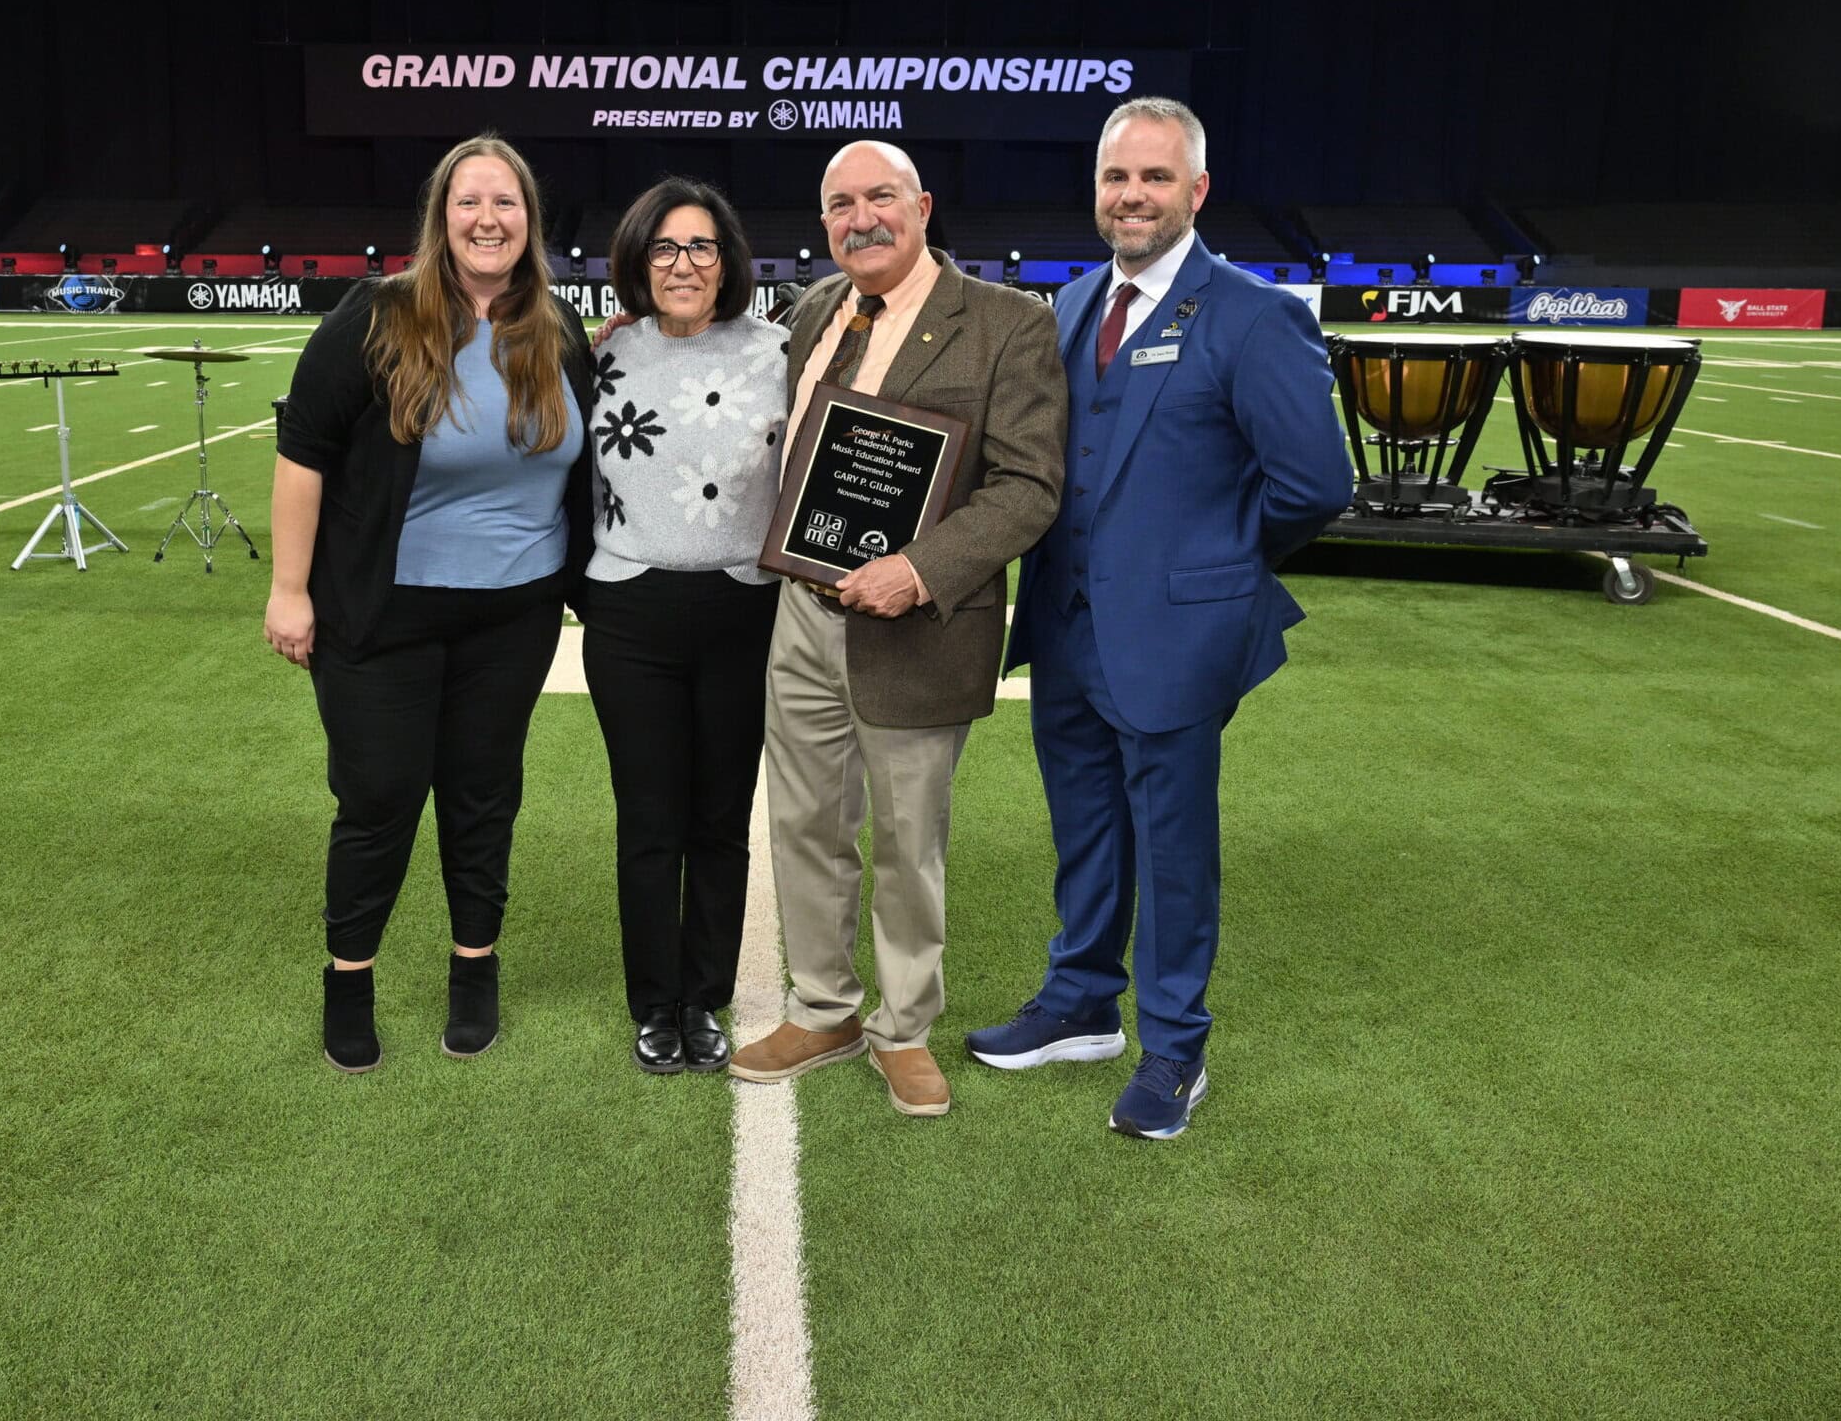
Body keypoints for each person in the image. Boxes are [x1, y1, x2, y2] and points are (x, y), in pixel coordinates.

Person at [969, 96, 1351, 1138]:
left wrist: (1213, 567)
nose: (1130, 196)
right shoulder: (1072, 303)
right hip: (1067, 622)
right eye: (1114, 178)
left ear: (1197, 190)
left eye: (1152, 177)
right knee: (1085, 823)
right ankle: (1082, 998)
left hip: (1176, 634)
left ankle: (1175, 1045)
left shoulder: (1251, 313)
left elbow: (1315, 483)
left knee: (1175, 845)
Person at [725, 140, 1067, 1118]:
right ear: (824, 221)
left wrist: (918, 569)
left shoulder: (1008, 323)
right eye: (841, 204)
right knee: (804, 822)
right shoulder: (812, 313)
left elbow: (1030, 487)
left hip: (918, 626)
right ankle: (825, 1007)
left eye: (881, 197)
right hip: (803, 613)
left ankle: (904, 1024)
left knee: (909, 838)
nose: (861, 218)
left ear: (921, 206)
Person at [265, 134, 594, 1074]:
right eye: (469, 202)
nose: (488, 219)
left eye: (507, 203)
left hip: (516, 614)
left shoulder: (558, 331)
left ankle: (474, 971)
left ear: (530, 221)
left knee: (484, 795)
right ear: (440, 218)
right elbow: (304, 456)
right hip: (384, 612)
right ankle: (349, 980)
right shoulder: (375, 318)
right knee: (378, 798)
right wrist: (289, 591)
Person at [579, 178, 787, 1075]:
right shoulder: (603, 355)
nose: (684, 265)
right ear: (636, 261)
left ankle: (705, 998)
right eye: (664, 248)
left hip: (744, 610)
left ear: (729, 259)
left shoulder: (780, 348)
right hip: (629, 613)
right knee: (649, 820)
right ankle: (651, 1002)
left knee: (720, 820)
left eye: (702, 247)